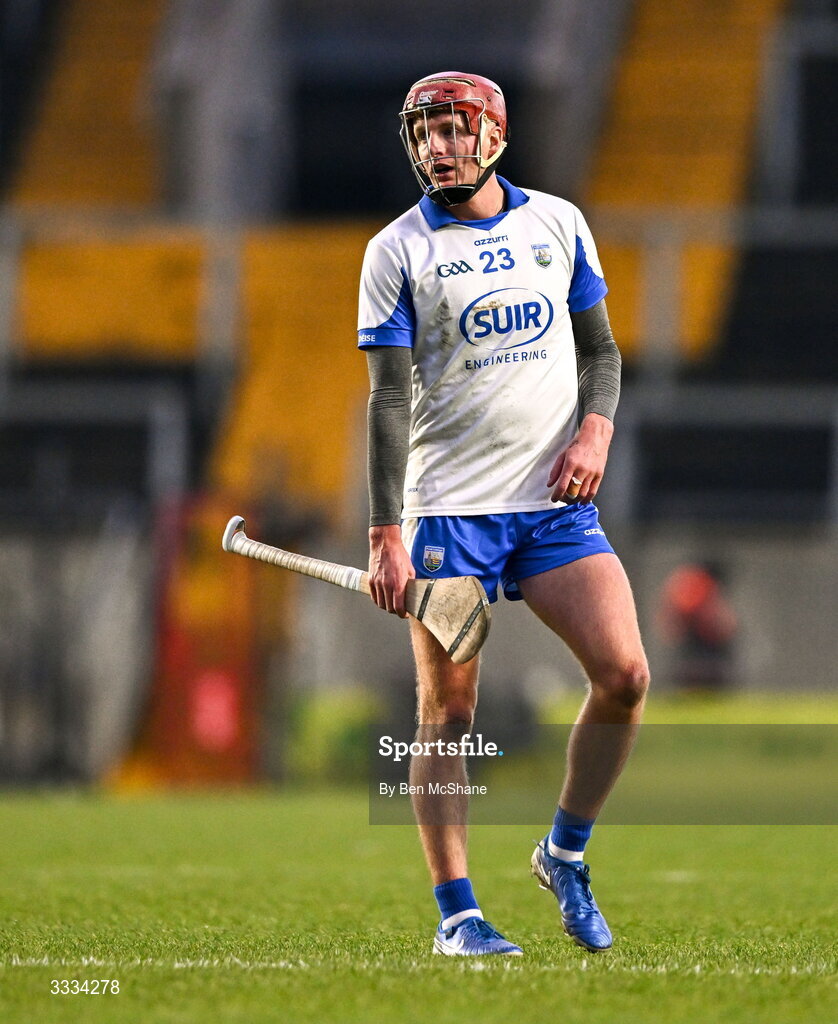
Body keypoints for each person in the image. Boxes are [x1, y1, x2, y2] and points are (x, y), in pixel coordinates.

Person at [358, 72, 650, 957]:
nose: (437, 147)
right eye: (425, 132)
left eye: (453, 130)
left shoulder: (557, 223)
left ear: (493, 135)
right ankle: (459, 916)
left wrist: (594, 432)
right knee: (449, 714)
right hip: (452, 512)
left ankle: (564, 853)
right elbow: (387, 403)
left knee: (626, 675)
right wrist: (385, 531)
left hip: (554, 508)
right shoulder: (395, 251)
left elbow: (600, 352)